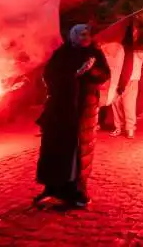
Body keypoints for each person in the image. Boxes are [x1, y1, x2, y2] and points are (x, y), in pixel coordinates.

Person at [35, 24, 110, 208]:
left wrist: (90, 71)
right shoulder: (62, 53)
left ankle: (76, 192)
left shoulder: (95, 53)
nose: (85, 37)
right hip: (60, 109)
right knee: (54, 148)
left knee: (77, 152)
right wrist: (73, 75)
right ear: (73, 35)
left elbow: (104, 74)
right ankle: (52, 188)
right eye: (81, 34)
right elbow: (49, 74)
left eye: (87, 34)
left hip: (83, 109)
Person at [110, 25, 143, 139]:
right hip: (117, 78)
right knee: (115, 103)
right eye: (132, 32)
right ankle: (118, 126)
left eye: (135, 32)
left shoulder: (140, 47)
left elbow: (141, 55)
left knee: (129, 105)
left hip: (132, 79)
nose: (133, 34)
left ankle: (130, 128)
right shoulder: (120, 46)